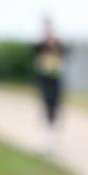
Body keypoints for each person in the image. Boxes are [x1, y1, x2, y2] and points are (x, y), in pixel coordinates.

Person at [32, 18, 68, 154]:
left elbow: (65, 53)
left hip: (56, 79)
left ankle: (53, 130)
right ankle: (47, 131)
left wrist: (55, 46)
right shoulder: (39, 46)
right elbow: (35, 55)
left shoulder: (59, 44)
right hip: (44, 80)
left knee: (55, 105)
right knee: (46, 104)